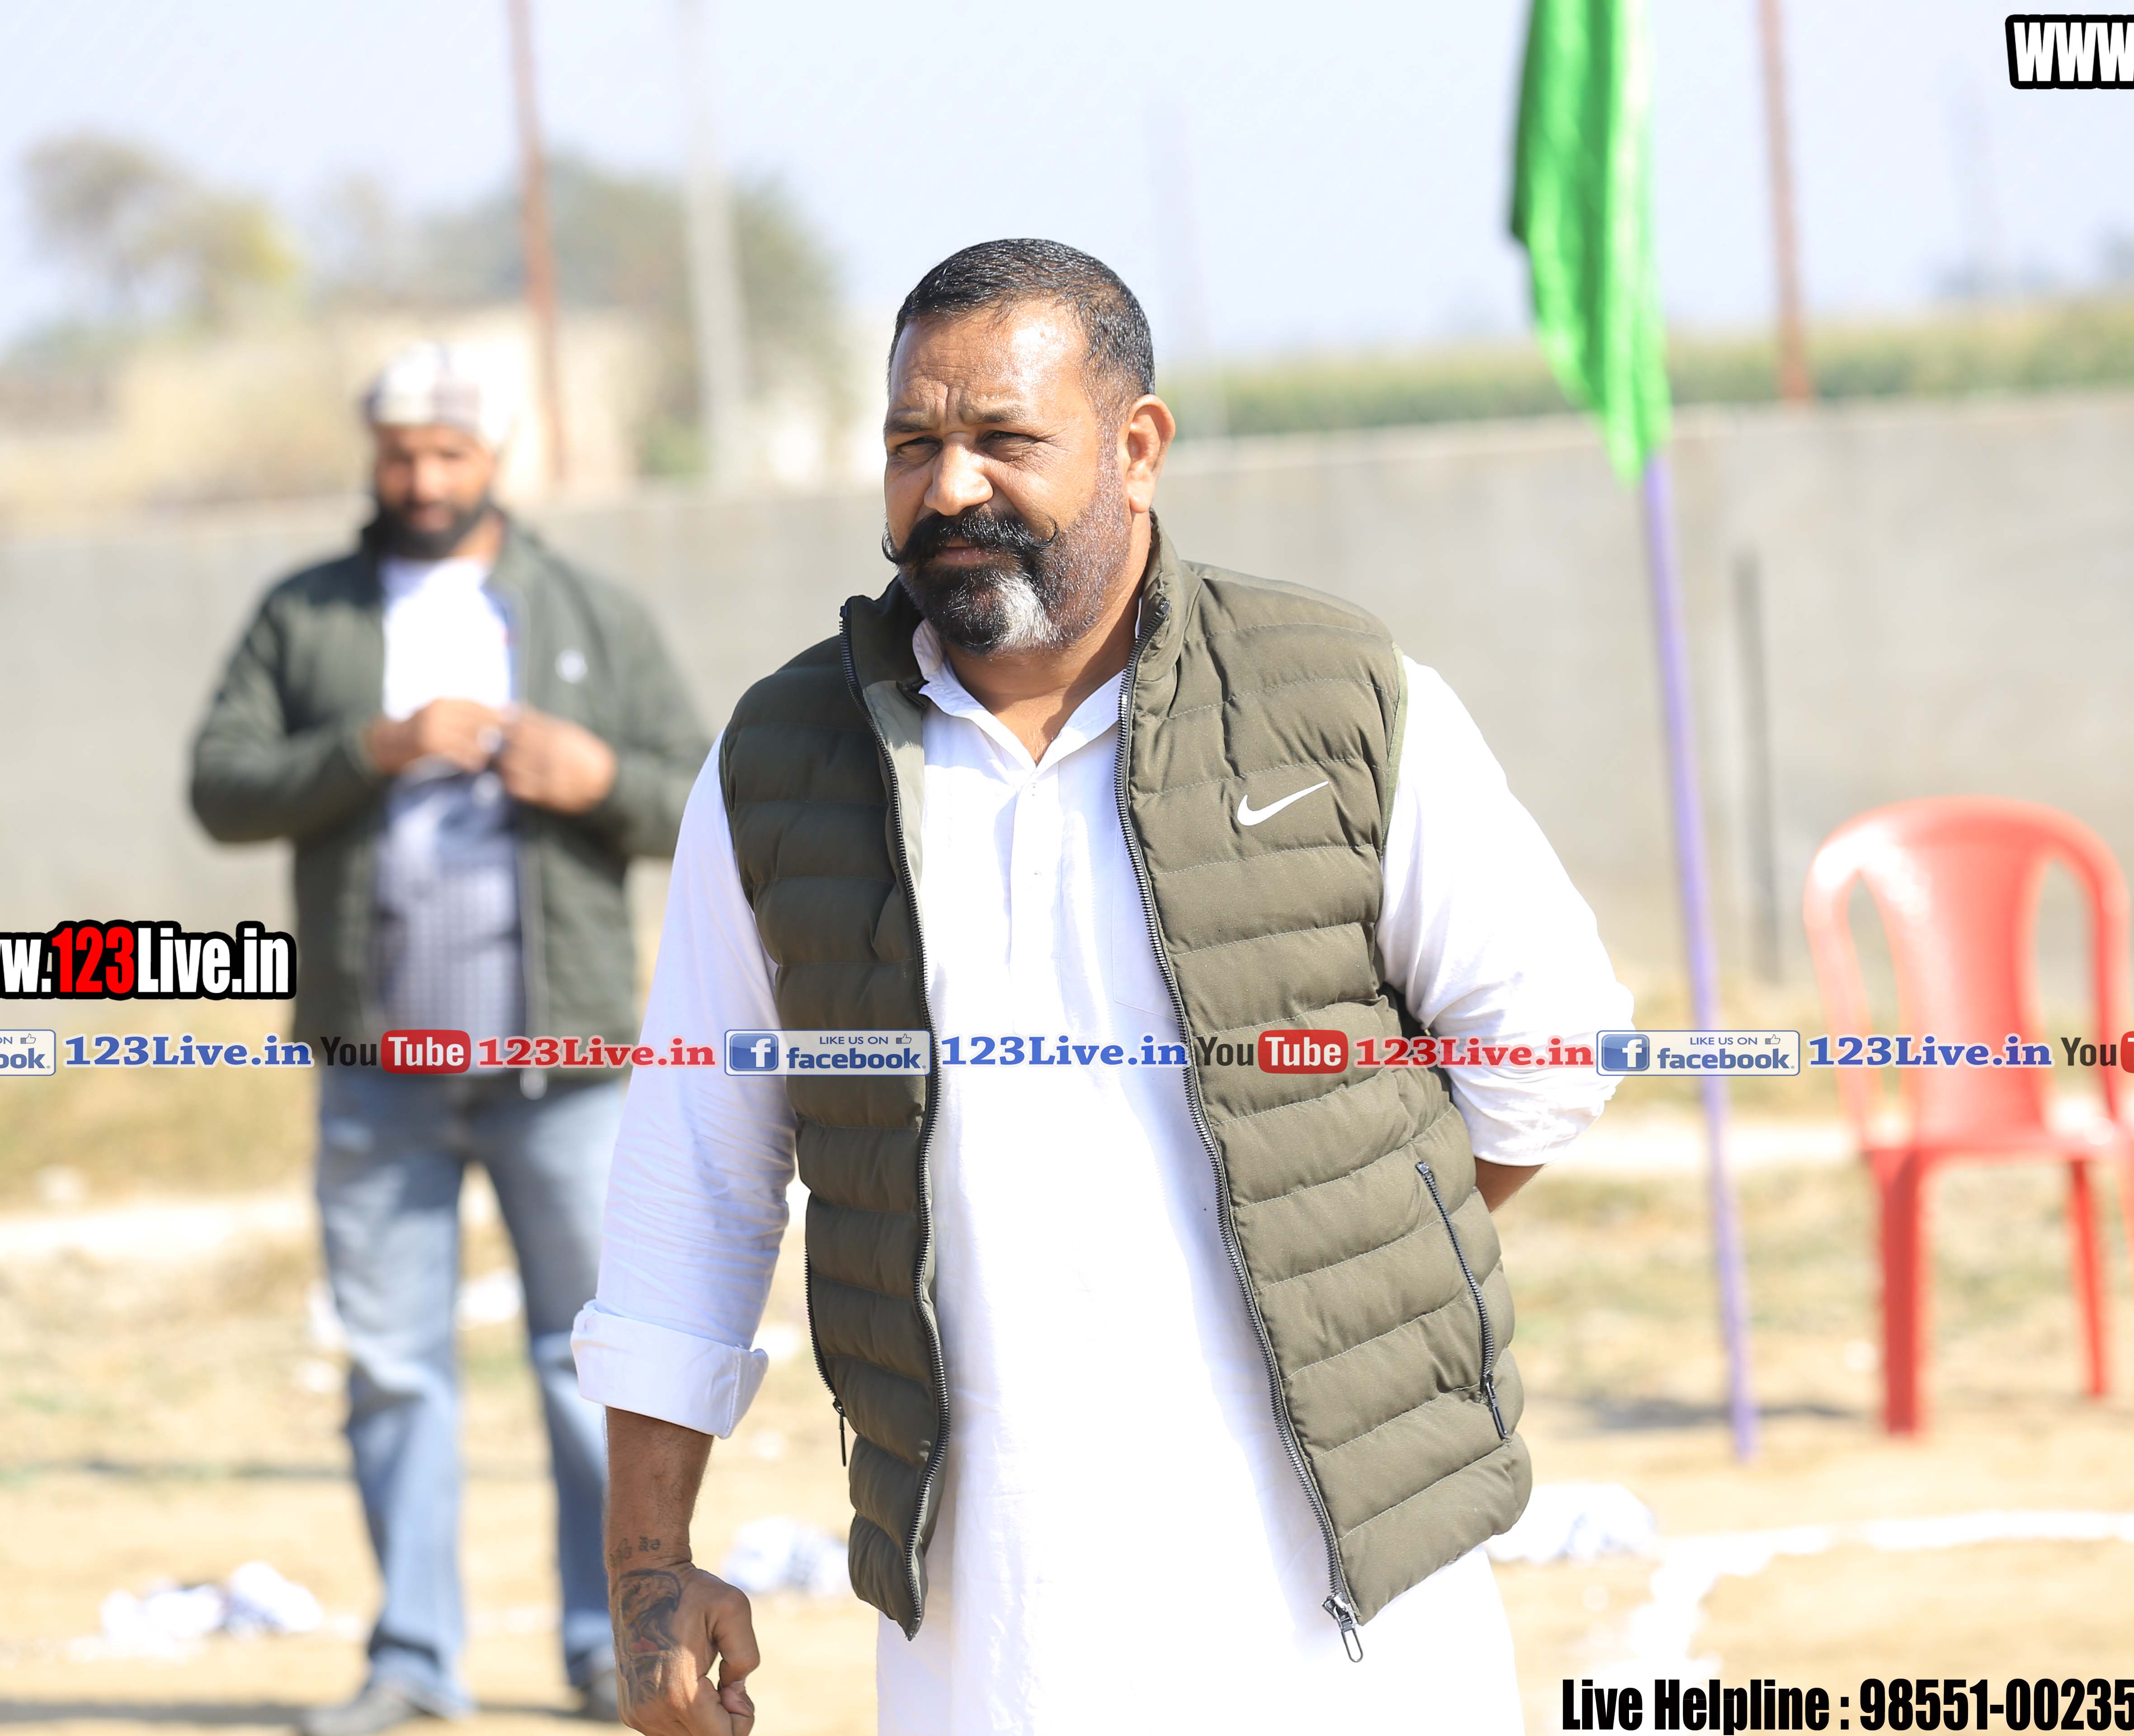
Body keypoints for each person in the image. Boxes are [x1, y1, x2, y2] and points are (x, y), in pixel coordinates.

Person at [571, 241, 1634, 1736]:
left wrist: (1348, 1261)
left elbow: (1548, 1045)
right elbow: (696, 1170)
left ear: (1137, 448)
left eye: (1005, 439)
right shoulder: (785, 765)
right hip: (995, 1615)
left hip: (1342, 1603)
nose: (950, 488)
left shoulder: (1331, 697)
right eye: (911, 444)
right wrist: (648, 1566)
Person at [189, 343, 713, 1736]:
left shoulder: (587, 611)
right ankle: (415, 1658)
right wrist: (374, 748)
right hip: (379, 1073)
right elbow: (220, 786)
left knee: (589, 1365)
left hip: (567, 1070)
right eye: (400, 455)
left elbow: (703, 797)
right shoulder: (308, 616)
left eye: (449, 454)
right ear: (373, 458)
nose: (422, 479)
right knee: (393, 1372)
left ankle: (607, 1646)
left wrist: (597, 778)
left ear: (495, 458)